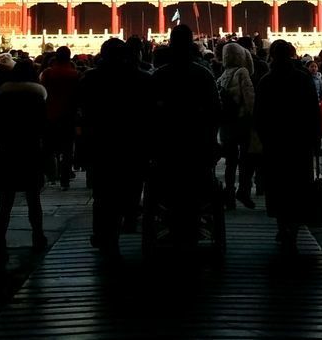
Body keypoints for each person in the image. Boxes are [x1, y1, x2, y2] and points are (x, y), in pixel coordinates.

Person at [77, 37, 154, 255]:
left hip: (101, 143)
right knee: (131, 186)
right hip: (133, 144)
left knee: (102, 193)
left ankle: (104, 234)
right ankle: (128, 217)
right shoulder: (142, 79)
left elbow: (81, 111)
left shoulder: (90, 78)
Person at [149, 25, 220, 246]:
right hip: (197, 145)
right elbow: (214, 112)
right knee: (200, 187)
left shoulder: (159, 75)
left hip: (167, 146)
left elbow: (149, 113)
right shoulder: (204, 75)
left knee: (164, 188)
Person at [254, 39, 320, 251]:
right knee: (298, 184)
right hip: (300, 141)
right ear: (292, 54)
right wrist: (315, 138)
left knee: (278, 186)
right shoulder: (303, 78)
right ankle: (294, 226)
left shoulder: (266, 80)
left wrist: (264, 138)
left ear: (272, 56)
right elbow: (313, 111)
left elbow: (259, 115)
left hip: (275, 142)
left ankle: (282, 226)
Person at [0, 60, 49, 252]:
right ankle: (38, 235)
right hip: (30, 151)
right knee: (34, 199)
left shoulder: (2, 97)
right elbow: (44, 127)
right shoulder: (38, 98)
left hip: (8, 152)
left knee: (5, 202)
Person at [217, 41, 257, 209]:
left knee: (230, 161)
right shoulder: (242, 72)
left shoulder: (223, 75)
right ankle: (244, 190)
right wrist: (253, 117)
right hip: (241, 122)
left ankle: (229, 193)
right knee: (246, 159)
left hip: (227, 124)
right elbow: (249, 97)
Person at [40, 46, 80, 190]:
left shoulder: (48, 73)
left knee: (48, 149)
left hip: (50, 115)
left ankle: (48, 175)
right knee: (67, 149)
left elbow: (42, 93)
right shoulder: (75, 74)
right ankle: (65, 180)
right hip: (68, 116)